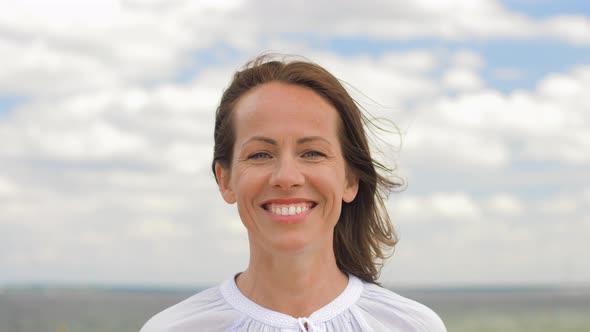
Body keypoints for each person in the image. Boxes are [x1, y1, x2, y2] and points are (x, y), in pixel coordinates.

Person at [140, 55, 446, 332]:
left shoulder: (413, 326)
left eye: (312, 153)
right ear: (225, 180)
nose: (286, 177)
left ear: (350, 180)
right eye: (260, 155)